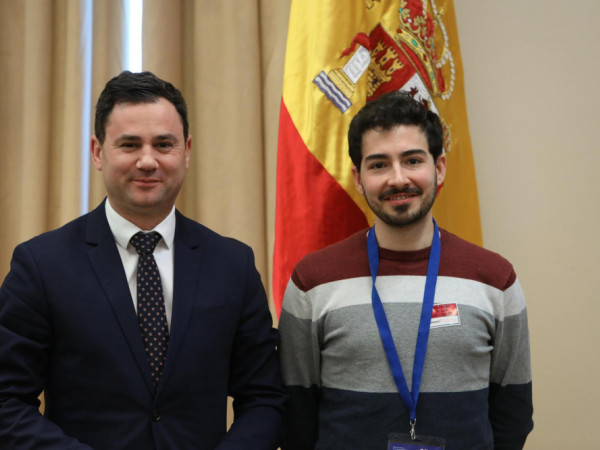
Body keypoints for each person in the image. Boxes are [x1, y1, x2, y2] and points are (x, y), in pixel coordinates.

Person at [0, 71, 286, 449]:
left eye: (163, 144)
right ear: (98, 152)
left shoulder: (232, 264)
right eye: (130, 145)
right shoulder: (41, 265)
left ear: (186, 150)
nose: (147, 161)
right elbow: (7, 402)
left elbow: (265, 399)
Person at [278, 91, 533, 449]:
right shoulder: (313, 281)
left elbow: (513, 413)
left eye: (412, 160)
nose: (397, 179)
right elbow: (297, 416)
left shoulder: (494, 279)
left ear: (438, 168)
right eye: (379, 164)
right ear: (358, 176)